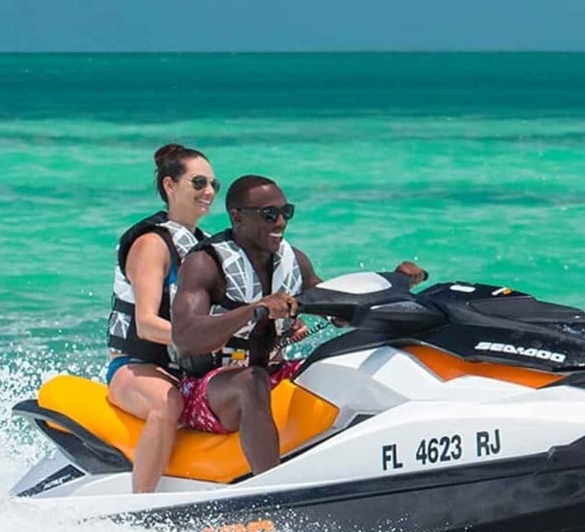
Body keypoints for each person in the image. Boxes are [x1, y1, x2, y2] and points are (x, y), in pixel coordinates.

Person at [171, 175, 426, 474]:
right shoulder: (205, 263)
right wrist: (253, 310)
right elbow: (185, 337)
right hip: (206, 390)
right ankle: (270, 493)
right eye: (269, 214)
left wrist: (394, 281)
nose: (280, 223)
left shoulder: (294, 260)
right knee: (252, 381)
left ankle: (394, 460)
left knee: (349, 359)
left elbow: (337, 305)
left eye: (286, 212)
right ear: (237, 216)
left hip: (273, 373)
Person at [105, 143, 219, 492]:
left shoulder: (206, 244)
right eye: (198, 183)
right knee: (167, 403)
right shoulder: (152, 244)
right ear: (170, 186)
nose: (209, 192)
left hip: (184, 366)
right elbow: (146, 324)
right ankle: (141, 503)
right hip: (133, 367)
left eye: (215, 184)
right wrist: (204, 338)